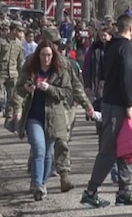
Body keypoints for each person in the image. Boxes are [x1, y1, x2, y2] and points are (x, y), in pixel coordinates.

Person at [81, 14, 132, 208]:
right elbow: (127, 76)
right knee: (109, 150)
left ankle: (123, 191)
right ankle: (91, 192)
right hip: (119, 106)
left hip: (111, 101)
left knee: (127, 147)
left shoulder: (111, 46)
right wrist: (129, 104)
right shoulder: (125, 47)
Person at [15, 40, 73, 201]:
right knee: (38, 148)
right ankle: (37, 183)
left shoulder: (60, 71)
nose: (46, 58)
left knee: (48, 152)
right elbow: (18, 88)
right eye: (43, 55)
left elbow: (67, 92)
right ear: (38, 55)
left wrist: (50, 88)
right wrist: (26, 89)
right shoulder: (30, 70)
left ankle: (43, 183)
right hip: (34, 116)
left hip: (53, 117)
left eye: (49, 55)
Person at [39, 27, 95, 192]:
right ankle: (38, 179)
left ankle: (64, 176)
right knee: (41, 146)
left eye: (57, 44)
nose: (55, 47)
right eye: (52, 44)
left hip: (62, 108)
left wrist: (87, 105)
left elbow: (77, 87)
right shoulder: (34, 62)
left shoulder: (66, 64)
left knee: (62, 141)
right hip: (41, 109)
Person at [0, 22, 26, 128]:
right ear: (13, 30)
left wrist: (22, 75)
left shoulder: (18, 44)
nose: (21, 33)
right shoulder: (0, 41)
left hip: (13, 73)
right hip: (1, 73)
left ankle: (9, 118)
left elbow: (21, 61)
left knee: (12, 97)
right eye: (19, 31)